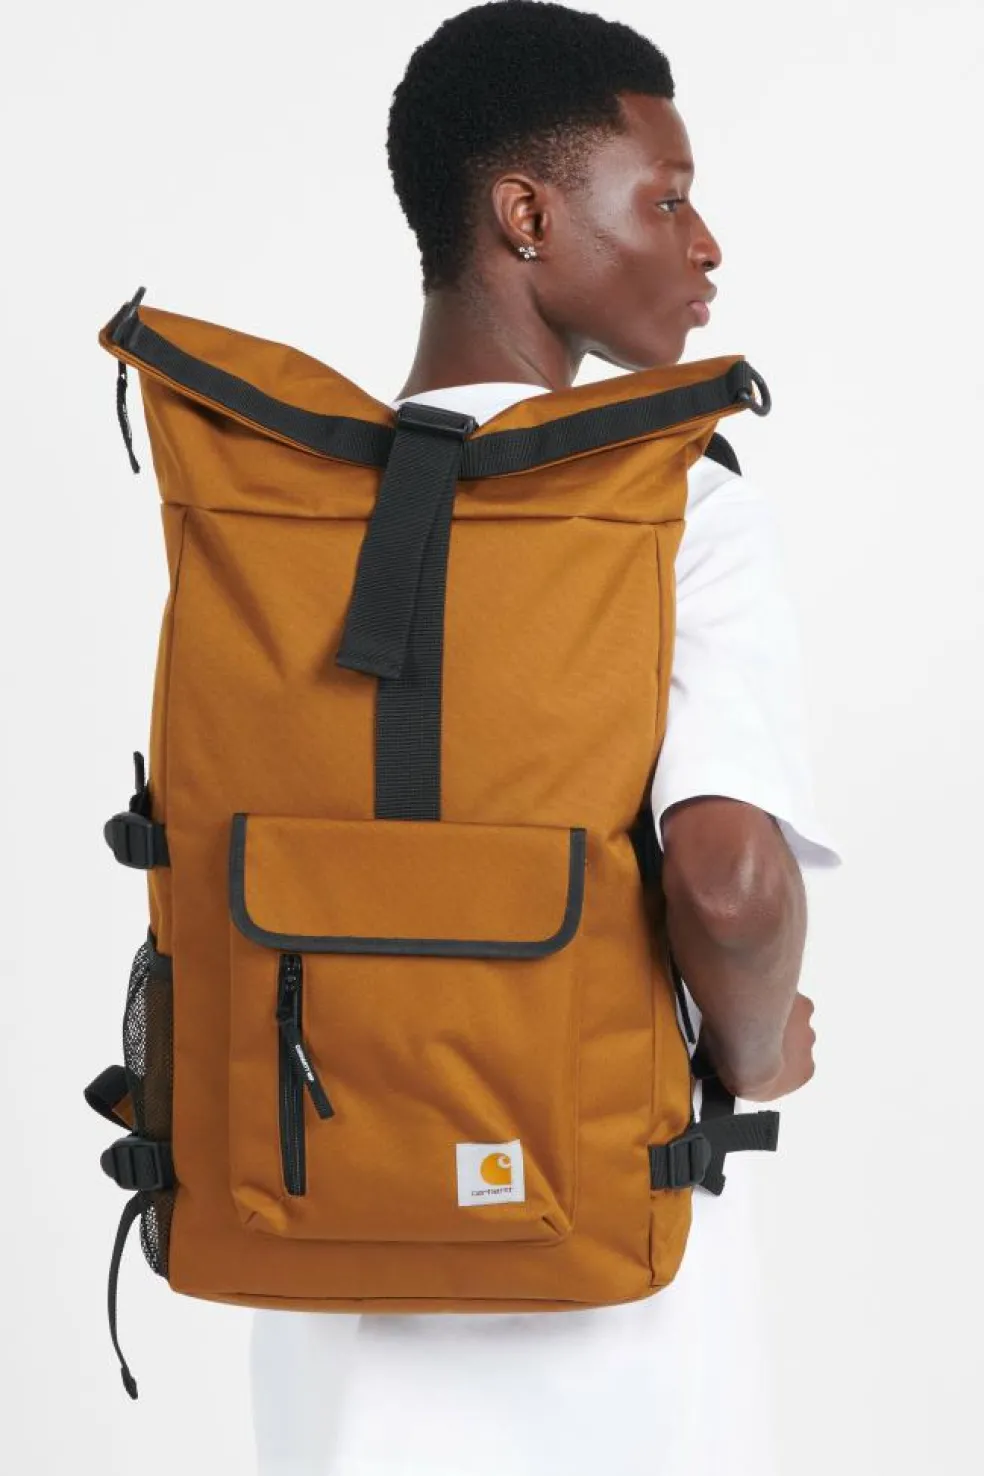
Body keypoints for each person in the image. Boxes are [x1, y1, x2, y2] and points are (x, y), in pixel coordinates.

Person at [249, 4, 842, 1472]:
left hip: (323, 1275)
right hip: (613, 1286)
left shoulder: (272, 512)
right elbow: (729, 885)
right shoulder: (676, 504)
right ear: (526, 217)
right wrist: (758, 1050)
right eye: (667, 199)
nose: (705, 245)